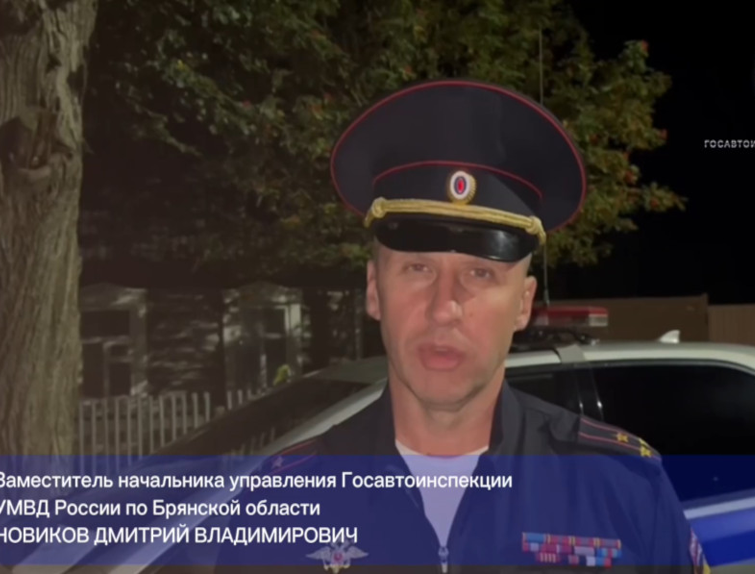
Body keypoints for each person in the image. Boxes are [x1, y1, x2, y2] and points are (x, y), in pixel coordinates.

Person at [214, 79, 710, 573]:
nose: (444, 308)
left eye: (480, 274)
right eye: (418, 268)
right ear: (374, 290)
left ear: (523, 303)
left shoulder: (623, 490)